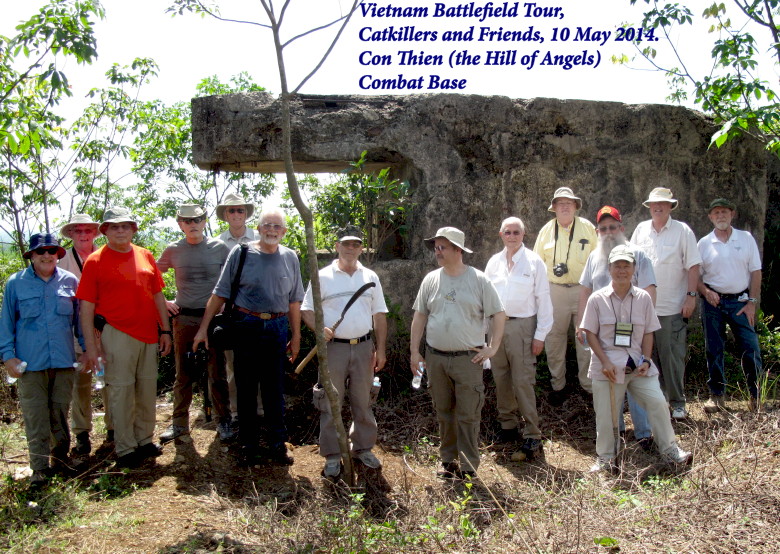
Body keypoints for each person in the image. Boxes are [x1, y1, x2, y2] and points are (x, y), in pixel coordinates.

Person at [194, 207, 304, 467]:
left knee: (274, 389)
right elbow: (220, 292)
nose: (271, 230)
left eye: (277, 226)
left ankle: (277, 444)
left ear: (284, 231)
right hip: (246, 325)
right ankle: (248, 444)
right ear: (259, 227)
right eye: (267, 225)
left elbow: (295, 301)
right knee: (245, 387)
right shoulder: (242, 252)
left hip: (277, 328)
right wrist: (203, 329)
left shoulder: (290, 257)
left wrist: (296, 335)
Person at [580, 245, 691, 471]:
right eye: (617, 266)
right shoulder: (596, 299)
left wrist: (647, 359)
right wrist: (605, 362)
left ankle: (671, 451)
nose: (622, 270)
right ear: (609, 269)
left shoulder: (643, 298)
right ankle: (606, 458)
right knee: (606, 416)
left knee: (659, 403)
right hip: (608, 368)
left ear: (634, 269)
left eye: (626, 266)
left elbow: (649, 331)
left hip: (639, 367)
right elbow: (589, 333)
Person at [77, 208, 173, 469]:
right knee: (120, 390)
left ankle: (144, 439)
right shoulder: (95, 261)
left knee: (146, 388)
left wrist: (165, 330)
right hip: (116, 332)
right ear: (105, 230)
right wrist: (91, 346)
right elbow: (86, 308)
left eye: (125, 226)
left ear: (133, 229)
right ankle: (126, 446)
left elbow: (157, 296)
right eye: (114, 226)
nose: (120, 230)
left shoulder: (145, 255)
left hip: (148, 333)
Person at [410, 227, 505, 479]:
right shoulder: (431, 279)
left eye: (443, 247)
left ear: (458, 250)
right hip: (436, 358)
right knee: (444, 413)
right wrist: (414, 352)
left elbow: (499, 314)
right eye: (436, 247)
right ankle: (448, 461)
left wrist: (492, 348)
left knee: (468, 415)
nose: (437, 252)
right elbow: (420, 316)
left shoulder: (479, 280)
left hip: (468, 359)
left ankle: (468, 466)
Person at [301, 226, 388, 478]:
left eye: (356, 244)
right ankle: (332, 455)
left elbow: (379, 314)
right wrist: (320, 329)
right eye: (346, 244)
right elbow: (306, 310)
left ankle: (362, 448)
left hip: (363, 348)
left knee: (364, 400)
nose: (351, 248)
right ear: (337, 246)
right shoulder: (323, 276)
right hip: (333, 349)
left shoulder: (370, 276)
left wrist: (380, 350)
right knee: (330, 402)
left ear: (361, 248)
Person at [1, 234, 82, 485]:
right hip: (30, 364)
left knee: (60, 412)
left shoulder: (70, 282)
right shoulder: (16, 283)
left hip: (63, 362)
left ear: (59, 254)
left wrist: (89, 350)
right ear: (32, 256)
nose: (46, 255)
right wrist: (8, 357)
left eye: (51, 251)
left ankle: (60, 460)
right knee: (36, 416)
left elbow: (80, 322)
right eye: (40, 252)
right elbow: (6, 324)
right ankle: (39, 468)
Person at [577, 206, 655, 450]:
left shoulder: (638, 255)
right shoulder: (594, 257)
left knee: (637, 376)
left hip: (634, 331)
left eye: (612, 227)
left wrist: (644, 325)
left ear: (622, 228)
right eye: (603, 229)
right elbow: (585, 290)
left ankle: (643, 433)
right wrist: (582, 323)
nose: (608, 232)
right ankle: (616, 431)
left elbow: (650, 289)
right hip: (602, 334)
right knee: (609, 378)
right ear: (598, 232)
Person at [156, 204, 234, 443]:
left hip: (212, 318)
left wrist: (225, 303)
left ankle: (224, 421)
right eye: (187, 220)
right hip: (184, 317)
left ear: (205, 221)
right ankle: (179, 424)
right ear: (179, 223)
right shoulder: (173, 250)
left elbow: (233, 279)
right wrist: (165, 301)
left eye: (197, 219)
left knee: (217, 372)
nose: (193, 224)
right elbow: (151, 277)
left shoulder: (219, 248)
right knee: (183, 373)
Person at [631, 188, 701, 420]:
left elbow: (693, 266)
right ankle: (655, 403)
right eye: (653, 204)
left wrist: (691, 296)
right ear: (649, 206)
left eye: (662, 203)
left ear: (671, 206)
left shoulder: (683, 231)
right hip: (644, 309)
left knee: (672, 358)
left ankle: (678, 403)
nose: (657, 207)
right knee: (647, 359)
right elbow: (631, 264)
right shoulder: (641, 230)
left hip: (672, 308)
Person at [484, 217, 552, 457]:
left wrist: (540, 335)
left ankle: (533, 435)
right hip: (496, 327)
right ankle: (508, 426)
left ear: (524, 235)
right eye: (507, 232)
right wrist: (485, 336)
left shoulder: (534, 263)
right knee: (500, 378)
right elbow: (486, 300)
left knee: (523, 382)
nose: (512, 236)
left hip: (523, 327)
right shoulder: (493, 263)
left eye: (516, 232)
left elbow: (544, 299)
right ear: (501, 234)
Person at [696, 198, 763, 412]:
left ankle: (756, 396)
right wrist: (705, 292)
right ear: (710, 217)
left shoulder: (746, 238)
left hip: (741, 301)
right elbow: (695, 277)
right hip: (713, 302)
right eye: (716, 213)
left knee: (750, 348)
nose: (720, 216)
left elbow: (756, 272)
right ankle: (717, 396)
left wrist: (752, 302)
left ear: (732, 214)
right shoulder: (704, 243)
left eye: (724, 211)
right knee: (714, 349)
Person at [533, 187, 598, 404]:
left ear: (575, 206)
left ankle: (588, 386)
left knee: (585, 337)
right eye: (560, 203)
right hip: (555, 291)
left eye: (568, 202)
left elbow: (598, 259)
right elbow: (537, 265)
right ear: (553, 208)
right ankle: (557, 385)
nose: (564, 206)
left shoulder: (587, 228)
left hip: (583, 289)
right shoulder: (546, 231)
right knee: (554, 339)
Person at [59, 213, 113, 457]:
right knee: (80, 384)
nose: (83, 235)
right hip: (73, 332)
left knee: (110, 380)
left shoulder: (107, 256)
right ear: (70, 234)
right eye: (77, 231)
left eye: (87, 230)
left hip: (106, 329)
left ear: (95, 233)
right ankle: (82, 434)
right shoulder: (60, 260)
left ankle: (114, 429)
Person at [216, 193, 262, 425]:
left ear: (246, 214)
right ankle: (236, 412)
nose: (236, 214)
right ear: (225, 214)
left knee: (261, 362)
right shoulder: (217, 243)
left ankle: (261, 410)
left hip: (259, 311)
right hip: (232, 313)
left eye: (240, 210)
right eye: (231, 210)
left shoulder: (259, 237)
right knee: (233, 364)